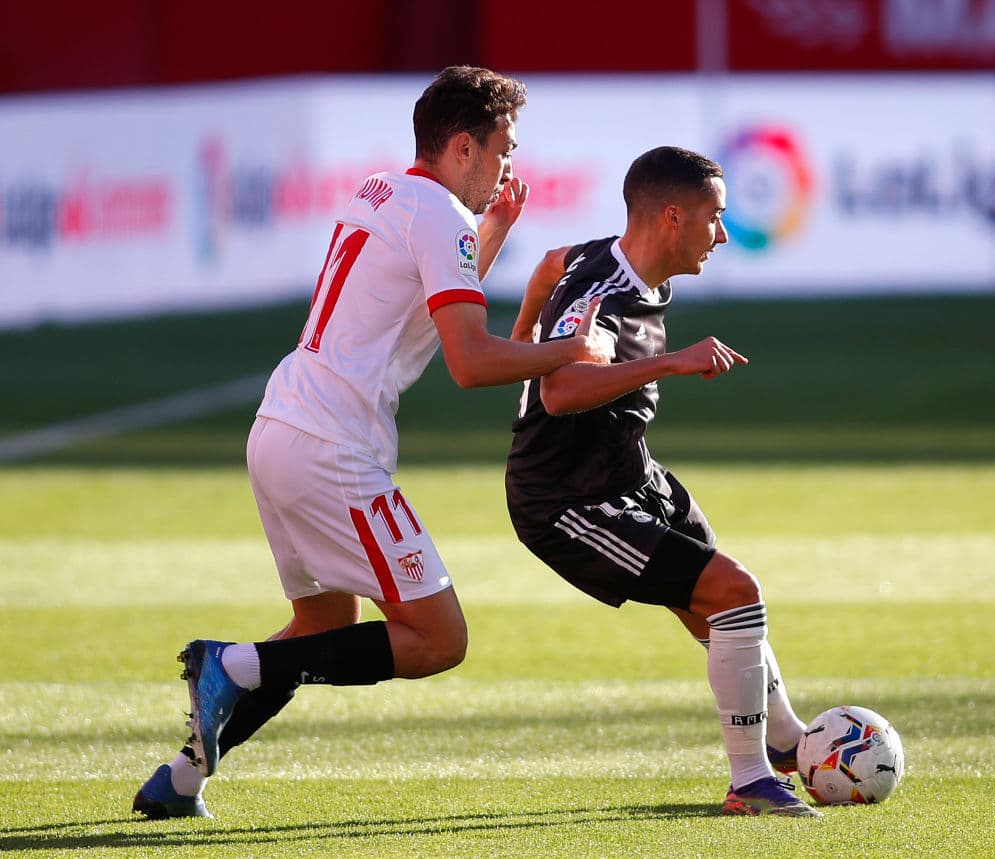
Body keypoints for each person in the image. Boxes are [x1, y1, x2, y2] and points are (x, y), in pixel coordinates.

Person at [132, 65, 612, 820]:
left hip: (281, 428)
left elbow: (427, 302)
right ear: (462, 147)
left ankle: (182, 777)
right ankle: (229, 662)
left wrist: (493, 231)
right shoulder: (439, 216)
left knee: (324, 629)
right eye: (503, 148)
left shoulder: (383, 190)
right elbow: (470, 360)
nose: (510, 165)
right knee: (437, 638)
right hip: (334, 449)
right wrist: (571, 351)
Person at [504, 146, 821, 817]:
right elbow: (560, 392)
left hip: (631, 469)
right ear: (673, 217)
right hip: (567, 497)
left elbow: (545, 266)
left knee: (720, 601)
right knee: (733, 589)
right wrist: (672, 363)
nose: (725, 234)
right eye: (716, 218)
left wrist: (523, 338)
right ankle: (750, 779)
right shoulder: (607, 299)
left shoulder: (619, 263)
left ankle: (788, 739)